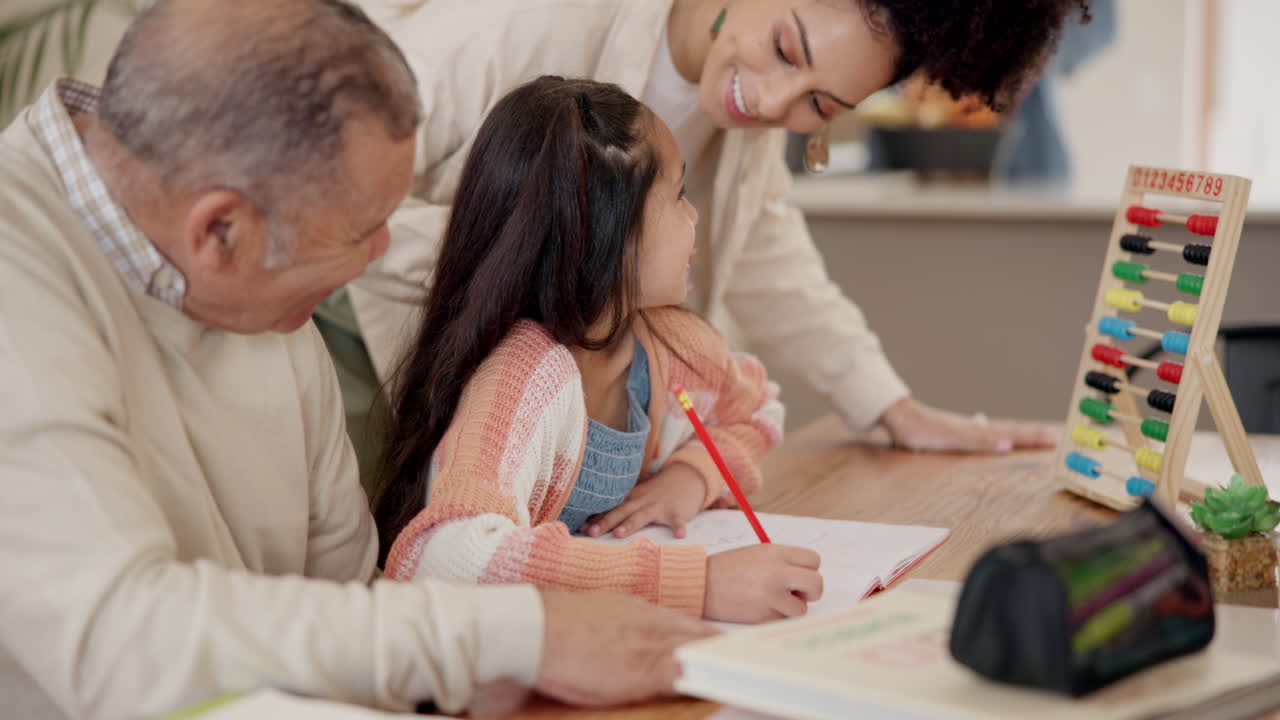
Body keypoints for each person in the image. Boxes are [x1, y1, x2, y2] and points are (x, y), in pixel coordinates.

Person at [0, 2, 711, 719]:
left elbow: (352, 599)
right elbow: (122, 636)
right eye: (360, 233)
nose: (382, 257)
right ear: (220, 230)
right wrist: (523, 636)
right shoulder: (19, 280)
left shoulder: (263, 304)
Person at [322, 0, 1092, 487]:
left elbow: (768, 250)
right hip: (358, 336)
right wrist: (551, 264)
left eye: (820, 104)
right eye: (787, 51)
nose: (768, 102)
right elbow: (330, 172)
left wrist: (889, 404)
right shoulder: (540, 17)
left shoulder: (746, 114)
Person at [374, 76, 823, 624]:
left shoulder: (671, 343)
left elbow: (756, 411)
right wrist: (695, 583)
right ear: (607, 231)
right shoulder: (522, 376)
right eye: (678, 195)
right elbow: (447, 555)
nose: (694, 216)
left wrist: (694, 474)